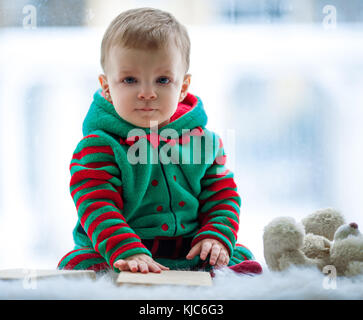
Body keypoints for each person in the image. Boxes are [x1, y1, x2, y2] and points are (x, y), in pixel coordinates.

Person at [57, 7, 262, 275]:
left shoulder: (205, 142)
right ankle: (129, 265)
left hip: (190, 248)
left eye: (163, 80)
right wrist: (127, 250)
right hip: (118, 251)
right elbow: (97, 205)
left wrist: (215, 236)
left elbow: (223, 195)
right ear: (107, 86)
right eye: (130, 80)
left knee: (238, 255)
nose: (147, 93)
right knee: (80, 265)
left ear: (183, 87)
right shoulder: (99, 147)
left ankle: (210, 263)